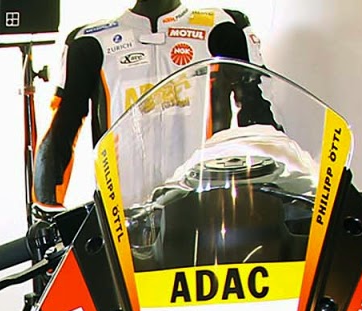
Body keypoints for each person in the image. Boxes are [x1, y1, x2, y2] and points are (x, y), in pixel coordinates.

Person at [33, 2, 269, 209]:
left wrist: (276, 197)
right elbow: (60, 133)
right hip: (122, 220)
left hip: (204, 211)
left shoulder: (222, 28)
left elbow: (261, 121)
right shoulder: (90, 42)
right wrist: (46, 210)